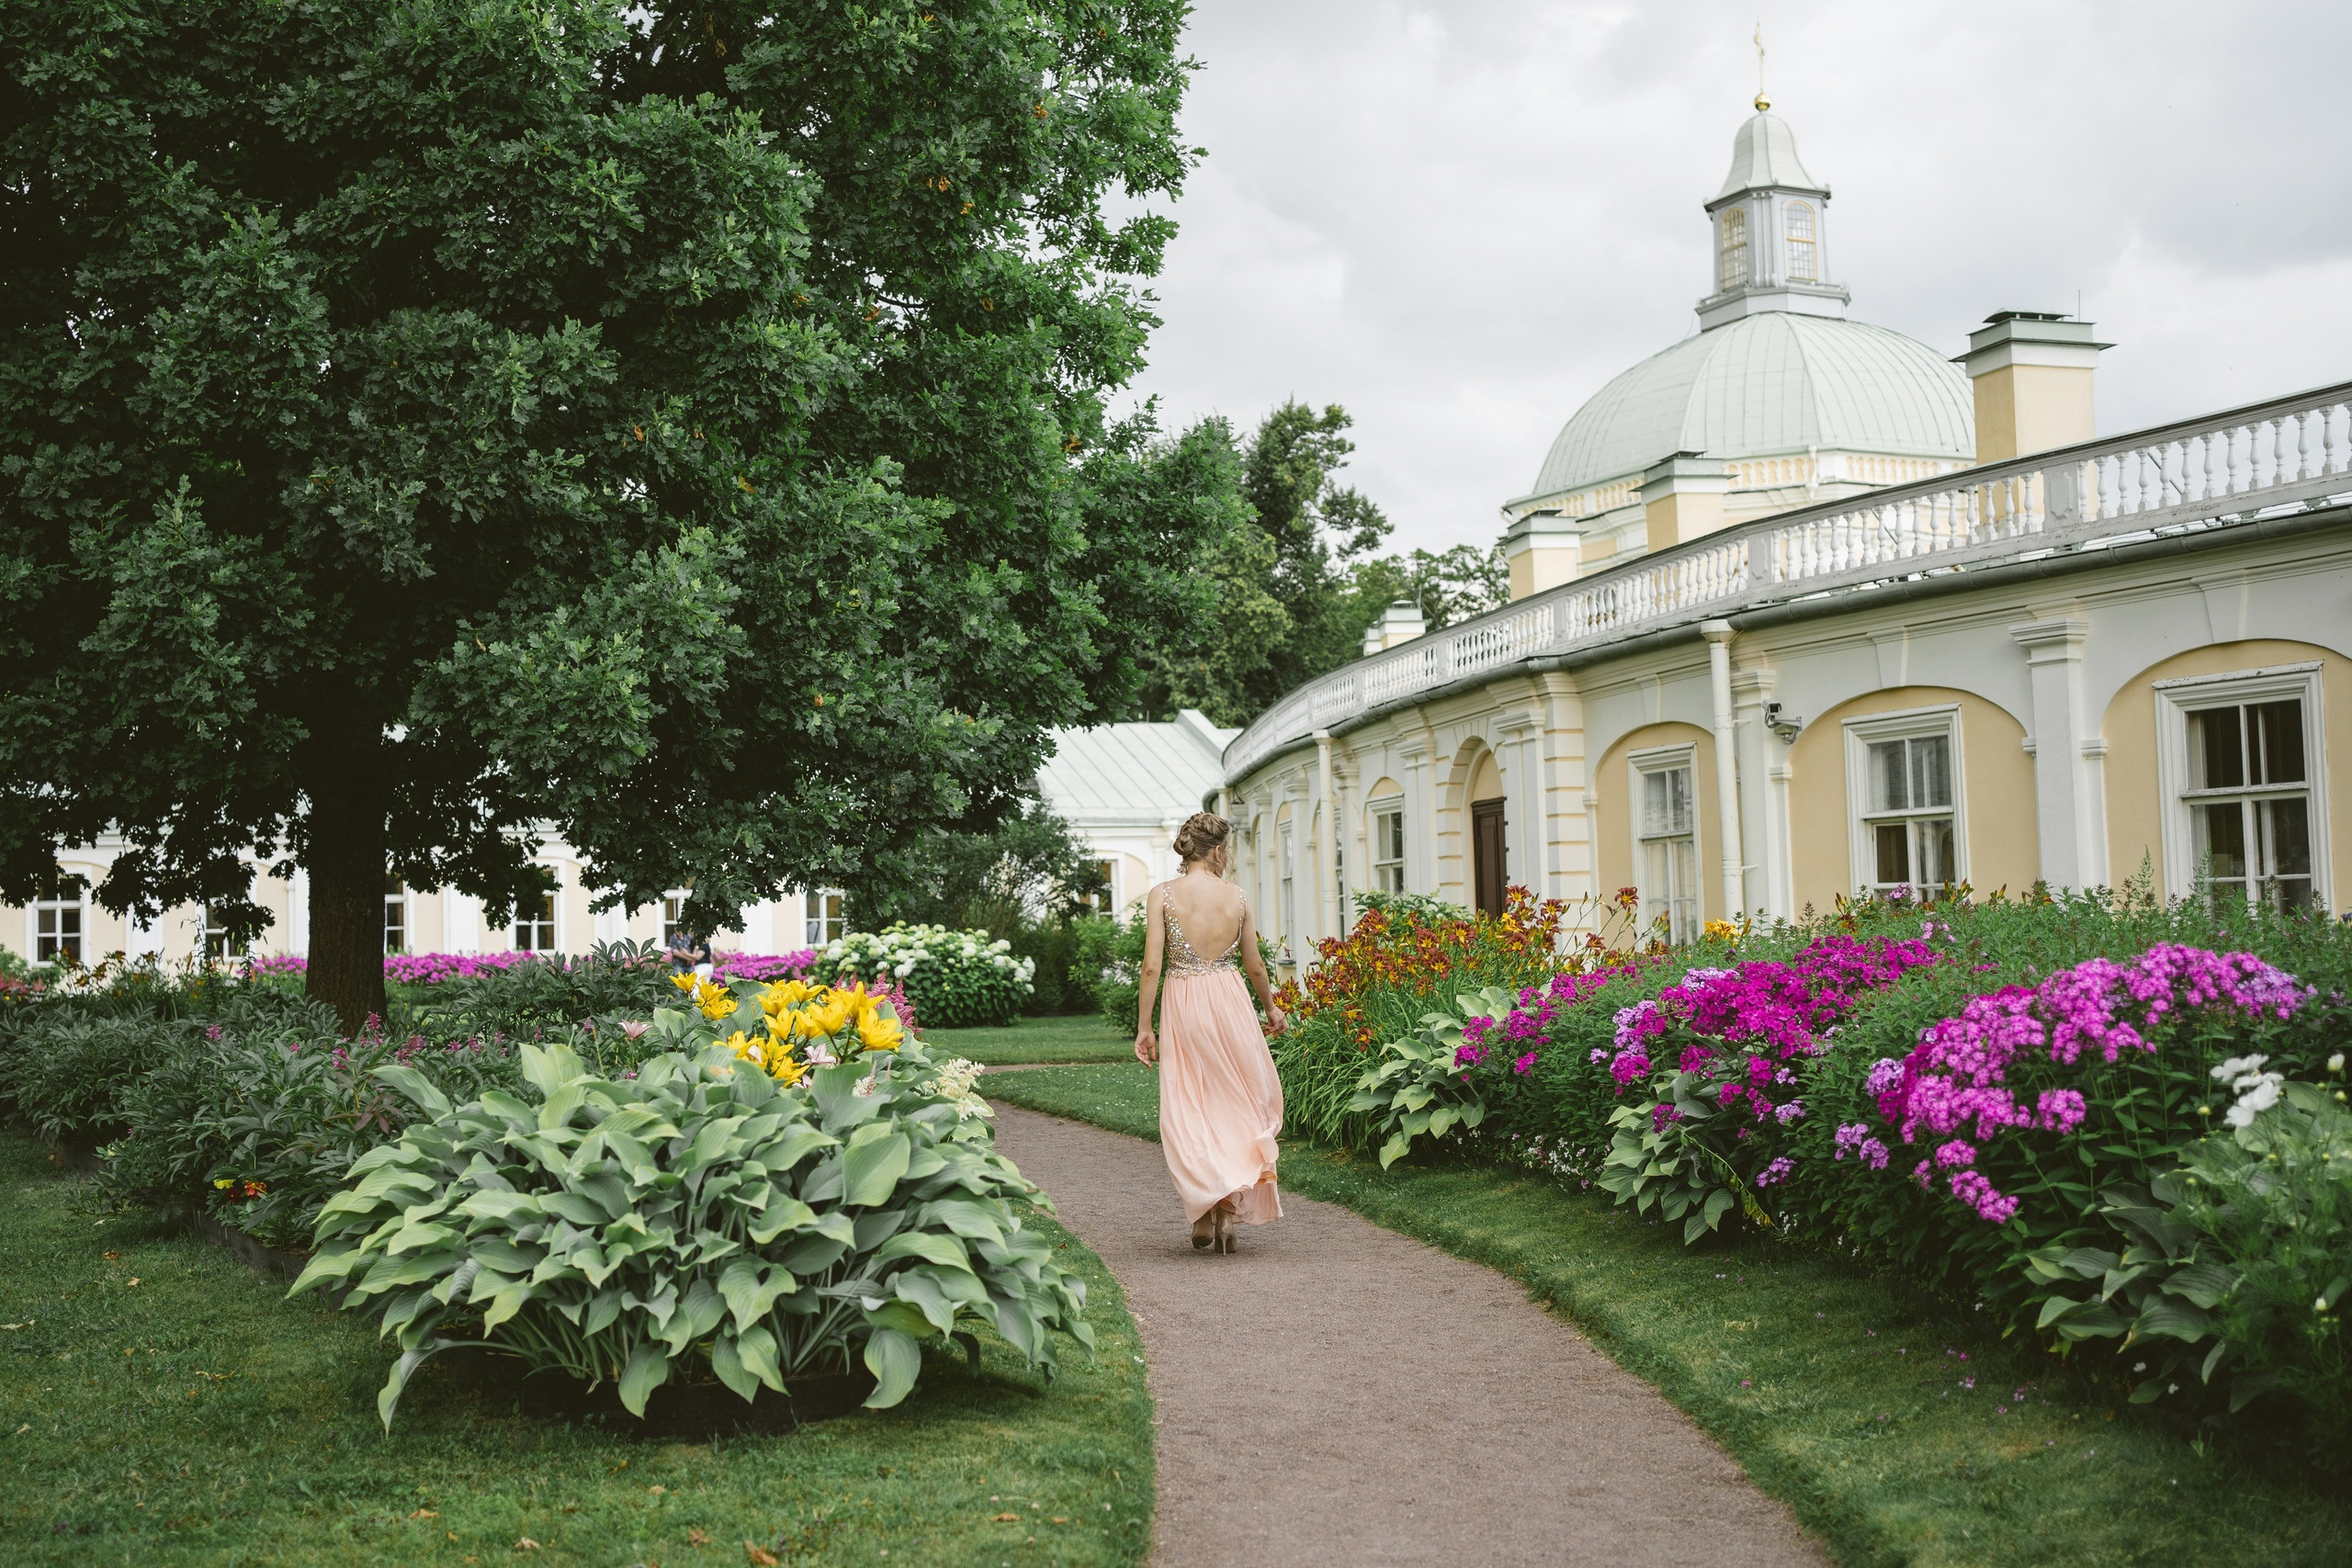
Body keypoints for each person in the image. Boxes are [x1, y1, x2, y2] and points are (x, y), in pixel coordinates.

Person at [1133, 812, 1288, 1254]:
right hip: (1230, 1000)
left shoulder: (1162, 894)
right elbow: (1255, 965)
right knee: (1234, 1101)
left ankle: (1203, 1210)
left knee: (1189, 1104)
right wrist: (1271, 1007)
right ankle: (1226, 1213)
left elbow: (1151, 967)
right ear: (1218, 850)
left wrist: (1144, 1027)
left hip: (1183, 1003)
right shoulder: (1237, 897)